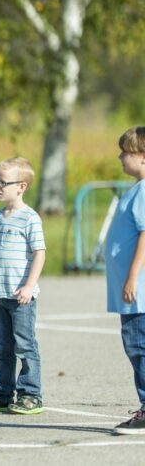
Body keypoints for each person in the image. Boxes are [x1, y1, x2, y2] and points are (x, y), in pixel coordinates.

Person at [0, 157, 46, 415]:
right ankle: (2, 394)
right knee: (3, 349)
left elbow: (39, 253)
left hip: (21, 296)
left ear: (21, 186)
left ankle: (30, 394)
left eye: (3, 182)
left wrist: (29, 286)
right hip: (1, 294)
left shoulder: (30, 218)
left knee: (24, 345)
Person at [105, 127, 145, 435]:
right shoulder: (135, 189)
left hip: (139, 292)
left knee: (138, 347)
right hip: (132, 292)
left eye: (127, 153)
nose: (120, 157)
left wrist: (132, 277)